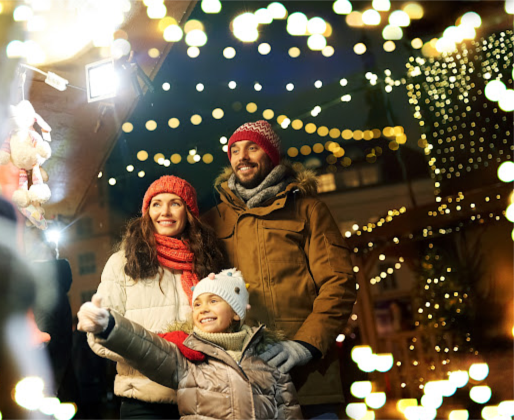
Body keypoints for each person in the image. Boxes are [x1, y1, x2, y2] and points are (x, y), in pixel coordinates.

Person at [202, 120, 357, 419]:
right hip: (242, 382)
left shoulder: (308, 210)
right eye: (234, 150)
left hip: (308, 380)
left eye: (252, 148)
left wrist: (305, 345)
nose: (242, 156)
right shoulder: (212, 221)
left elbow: (339, 283)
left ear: (271, 155)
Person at [78, 269, 303, 420]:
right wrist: (109, 325)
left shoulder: (267, 359)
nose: (203, 309)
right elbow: (146, 347)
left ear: (236, 313)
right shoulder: (188, 357)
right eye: (197, 304)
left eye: (214, 301)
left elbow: (289, 412)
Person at [89, 175, 226, 419]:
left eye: (175, 203)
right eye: (156, 203)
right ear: (147, 212)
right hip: (143, 400)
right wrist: (155, 349)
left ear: (189, 212)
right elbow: (98, 335)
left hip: (202, 397)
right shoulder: (122, 263)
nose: (165, 212)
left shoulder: (207, 262)